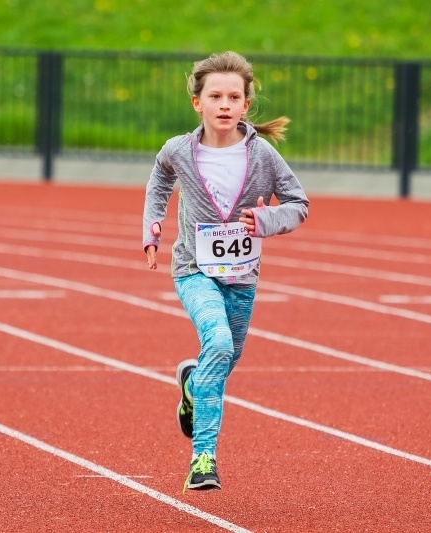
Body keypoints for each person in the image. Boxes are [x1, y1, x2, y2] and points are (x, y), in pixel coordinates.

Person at [142, 51, 309, 492]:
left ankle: (192, 383)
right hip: (193, 270)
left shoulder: (264, 156)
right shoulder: (179, 150)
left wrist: (266, 221)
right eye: (215, 95)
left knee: (225, 359)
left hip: (242, 277)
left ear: (246, 104)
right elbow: (159, 179)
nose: (224, 104)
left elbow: (298, 204)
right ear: (198, 102)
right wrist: (152, 228)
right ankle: (203, 457)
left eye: (234, 97)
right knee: (215, 341)